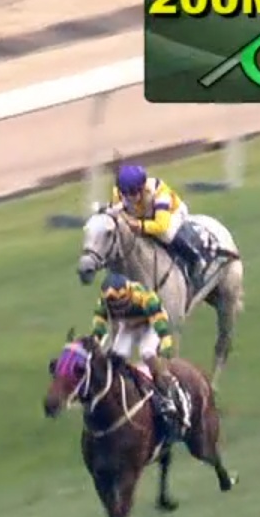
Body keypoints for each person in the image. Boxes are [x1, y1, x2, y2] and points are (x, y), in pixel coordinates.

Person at [92, 272, 184, 438]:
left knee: (147, 353)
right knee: (116, 358)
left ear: (129, 294)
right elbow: (100, 321)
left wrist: (165, 339)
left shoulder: (145, 297)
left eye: (122, 303)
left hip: (149, 324)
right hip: (127, 326)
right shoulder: (104, 301)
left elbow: (159, 319)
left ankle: (166, 394)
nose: (118, 308)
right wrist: (96, 340)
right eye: (114, 305)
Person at [107, 162, 214, 289]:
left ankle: (195, 260)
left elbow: (161, 225)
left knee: (165, 235)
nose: (129, 198)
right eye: (125, 194)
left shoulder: (160, 193)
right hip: (145, 215)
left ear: (142, 188)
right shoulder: (119, 192)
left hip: (172, 213)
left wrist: (141, 226)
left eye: (133, 193)